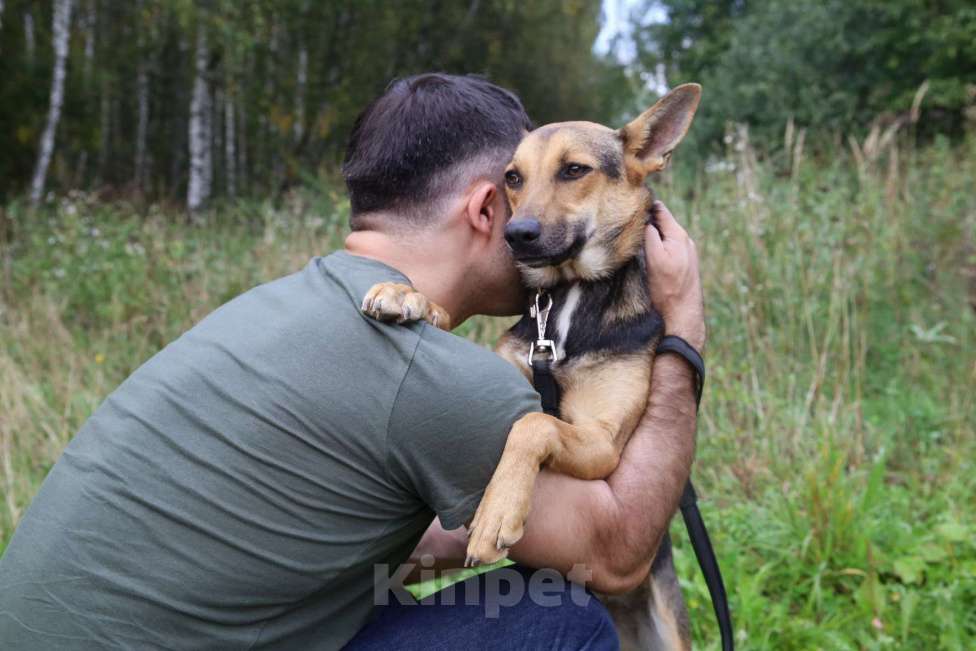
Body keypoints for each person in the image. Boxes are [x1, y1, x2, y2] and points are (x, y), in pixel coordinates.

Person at [0, 73, 705, 650]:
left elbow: (382, 542)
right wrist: (684, 330)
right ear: (490, 208)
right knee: (562, 616)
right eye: (519, 187)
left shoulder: (268, 308)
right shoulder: (431, 378)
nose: (533, 216)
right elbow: (619, 555)